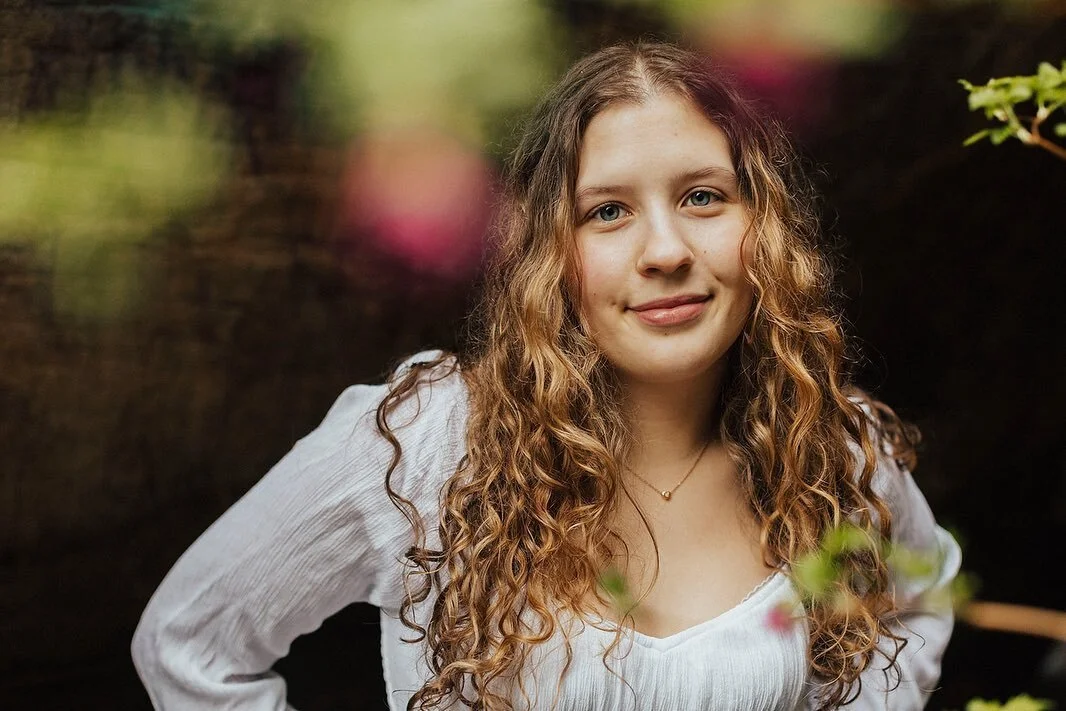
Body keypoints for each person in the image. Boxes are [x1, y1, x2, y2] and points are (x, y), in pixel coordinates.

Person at [132, 41, 961, 710]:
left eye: (704, 197)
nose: (667, 251)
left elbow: (924, 597)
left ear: (765, 225)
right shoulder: (425, 444)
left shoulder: (831, 449)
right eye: (607, 211)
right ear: (544, 256)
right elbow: (189, 643)